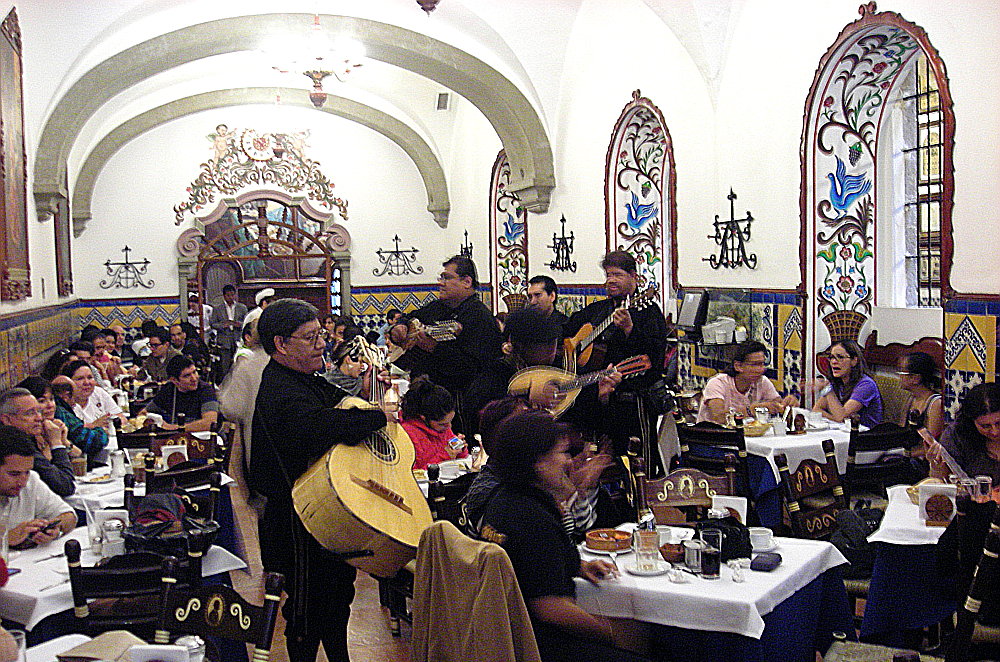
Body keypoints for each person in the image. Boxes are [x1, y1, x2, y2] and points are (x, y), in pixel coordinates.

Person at [250, 298, 391, 662]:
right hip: (295, 519)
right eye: (311, 337)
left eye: (322, 335)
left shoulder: (300, 377)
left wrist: (365, 391)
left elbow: (336, 398)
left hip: (320, 514)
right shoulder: (281, 388)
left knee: (336, 597)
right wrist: (375, 417)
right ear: (281, 344)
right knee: (306, 609)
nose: (322, 343)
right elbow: (318, 427)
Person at [477, 410, 649, 662]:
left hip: (504, 635)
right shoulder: (531, 518)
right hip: (537, 646)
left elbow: (528, 568)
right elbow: (549, 608)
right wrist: (611, 633)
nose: (571, 462)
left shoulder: (504, 500)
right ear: (537, 462)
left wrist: (578, 566)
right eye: (563, 453)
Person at [563, 251, 667, 459]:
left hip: (633, 403)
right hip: (598, 402)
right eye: (608, 274)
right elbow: (566, 331)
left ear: (634, 277)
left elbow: (655, 356)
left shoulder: (647, 310)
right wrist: (574, 346)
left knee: (635, 462)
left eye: (617, 275)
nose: (610, 280)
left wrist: (630, 329)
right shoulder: (598, 310)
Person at [389, 255, 502, 435]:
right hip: (428, 398)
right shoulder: (438, 307)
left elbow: (473, 368)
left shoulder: (479, 317)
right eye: (441, 278)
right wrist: (400, 326)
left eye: (447, 278)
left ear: (466, 281)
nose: (441, 283)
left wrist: (435, 348)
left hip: (458, 405)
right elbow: (411, 316)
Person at [0, 425, 77, 548]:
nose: (23, 482)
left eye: (27, 472)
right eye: (14, 474)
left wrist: (55, 528)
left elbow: (69, 516)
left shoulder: (31, 480)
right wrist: (5, 538)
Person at [697, 340, 799, 424]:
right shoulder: (717, 383)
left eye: (762, 364)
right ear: (738, 366)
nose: (761, 369)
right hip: (712, 441)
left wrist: (787, 405)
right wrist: (751, 410)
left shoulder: (762, 382)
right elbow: (718, 417)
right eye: (755, 365)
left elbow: (777, 405)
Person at [0, 385, 75, 497]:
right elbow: (65, 486)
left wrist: (63, 441)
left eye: (38, 411)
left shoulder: (33, 437)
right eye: (30, 413)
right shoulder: (13, 446)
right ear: (7, 419)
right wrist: (56, 443)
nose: (39, 418)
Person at [926, 382, 1000, 486]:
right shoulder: (956, 436)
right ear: (972, 422)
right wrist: (936, 466)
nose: (995, 431)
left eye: (998, 423)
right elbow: (941, 482)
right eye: (985, 426)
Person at [399, 376, 467, 470]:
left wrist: (460, 450)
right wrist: (445, 456)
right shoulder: (407, 433)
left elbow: (460, 459)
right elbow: (413, 471)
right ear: (423, 418)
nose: (449, 427)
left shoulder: (442, 427)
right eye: (442, 424)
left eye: (450, 421)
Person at [812, 339, 883, 428]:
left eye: (840, 357)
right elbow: (817, 410)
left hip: (867, 436)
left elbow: (841, 416)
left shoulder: (866, 385)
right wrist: (835, 418)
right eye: (831, 357)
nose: (833, 362)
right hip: (843, 432)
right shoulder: (837, 381)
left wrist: (826, 390)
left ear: (854, 361)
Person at [141, 355, 219, 432]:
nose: (194, 378)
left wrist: (173, 428)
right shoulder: (168, 389)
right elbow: (144, 413)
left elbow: (210, 423)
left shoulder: (206, 390)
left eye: (194, 372)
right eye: (187, 376)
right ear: (174, 380)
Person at [51, 375, 108, 458]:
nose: (75, 404)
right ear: (66, 396)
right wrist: (100, 430)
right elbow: (93, 442)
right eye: (75, 398)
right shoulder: (61, 412)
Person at [62, 360, 126, 430]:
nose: (87, 382)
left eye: (90, 378)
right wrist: (94, 425)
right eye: (80, 379)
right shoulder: (63, 405)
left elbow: (121, 417)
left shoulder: (98, 392)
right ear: (68, 382)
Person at [898, 351, 944, 440]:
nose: (899, 376)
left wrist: (907, 453)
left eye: (902, 372)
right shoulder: (911, 398)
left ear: (916, 378)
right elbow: (901, 431)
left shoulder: (935, 404)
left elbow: (931, 445)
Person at [209, 284, 248, 378]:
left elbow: (247, 323)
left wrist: (239, 324)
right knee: (225, 366)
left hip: (238, 338)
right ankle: (226, 385)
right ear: (224, 296)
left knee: (240, 363)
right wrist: (223, 325)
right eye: (228, 295)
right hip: (224, 340)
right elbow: (213, 324)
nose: (231, 297)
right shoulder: (217, 309)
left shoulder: (242, 308)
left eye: (233, 295)